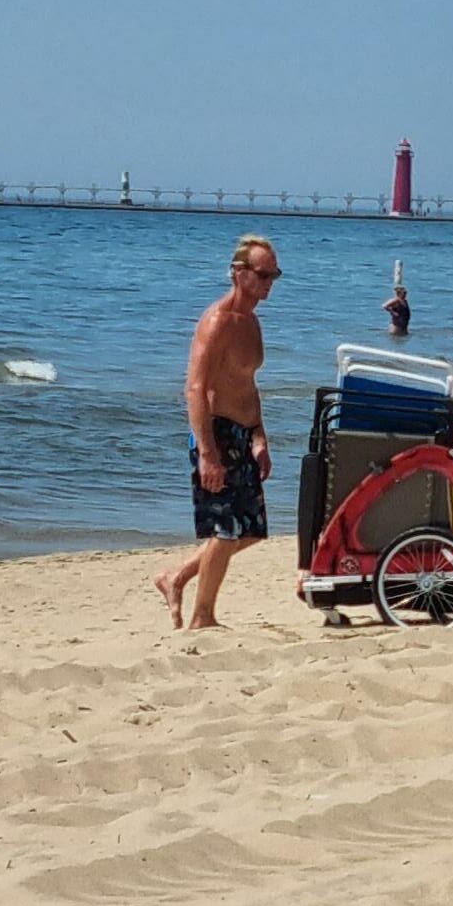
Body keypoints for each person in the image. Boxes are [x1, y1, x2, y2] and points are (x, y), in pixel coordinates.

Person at [154, 234, 280, 628]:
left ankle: (176, 578)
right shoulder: (217, 322)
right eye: (263, 274)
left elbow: (248, 385)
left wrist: (259, 437)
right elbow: (195, 388)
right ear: (239, 273)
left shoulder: (252, 322)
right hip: (216, 433)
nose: (269, 282)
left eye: (274, 275)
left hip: (243, 434)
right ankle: (202, 617)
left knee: (251, 530)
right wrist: (207, 454)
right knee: (226, 531)